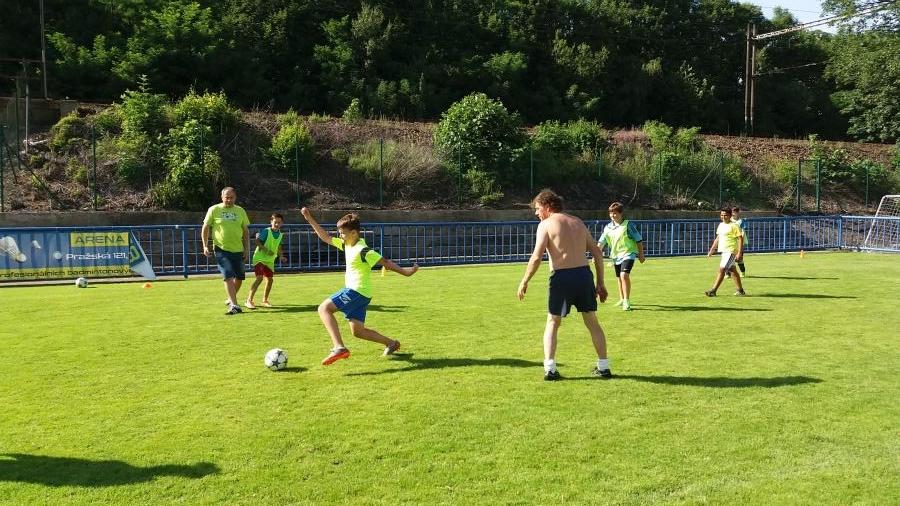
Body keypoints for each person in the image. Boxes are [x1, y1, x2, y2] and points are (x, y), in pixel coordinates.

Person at [300, 207, 419, 365]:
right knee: (358, 332)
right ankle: (392, 343)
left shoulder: (363, 250)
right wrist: (309, 218)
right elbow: (326, 237)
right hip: (363, 294)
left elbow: (385, 262)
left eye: (342, 233)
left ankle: (339, 347)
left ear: (354, 233)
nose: (340, 236)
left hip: (356, 291)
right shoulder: (346, 244)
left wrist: (406, 272)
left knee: (324, 308)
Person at [517, 189, 612, 381]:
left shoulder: (545, 225)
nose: (536, 213)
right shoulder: (577, 222)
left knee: (553, 322)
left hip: (562, 277)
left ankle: (550, 369)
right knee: (592, 321)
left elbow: (536, 257)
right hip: (584, 276)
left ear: (547, 206)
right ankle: (604, 367)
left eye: (538, 208)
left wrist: (524, 281)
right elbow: (597, 252)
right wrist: (600, 282)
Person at [202, 187, 251, 315]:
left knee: (239, 277)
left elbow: (245, 231)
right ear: (222, 197)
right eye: (226, 197)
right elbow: (205, 227)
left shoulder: (240, 211)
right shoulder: (214, 209)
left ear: (235, 197)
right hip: (221, 249)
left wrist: (246, 249)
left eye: (231, 198)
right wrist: (205, 245)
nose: (229, 200)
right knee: (228, 275)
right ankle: (234, 305)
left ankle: (230, 298)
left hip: (238, 249)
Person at [597, 202, 645, 311]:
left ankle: (626, 301)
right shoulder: (608, 227)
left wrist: (641, 254)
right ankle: (622, 299)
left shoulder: (628, 225)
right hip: (616, 256)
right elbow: (601, 242)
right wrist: (596, 255)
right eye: (611, 213)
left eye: (615, 213)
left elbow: (638, 239)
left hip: (628, 253)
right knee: (619, 277)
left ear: (621, 213)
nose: (612, 215)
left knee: (624, 275)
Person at [245, 213, 287, 309]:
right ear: (271, 222)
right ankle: (249, 300)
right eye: (275, 222)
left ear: (282, 223)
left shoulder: (280, 234)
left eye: (279, 222)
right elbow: (257, 241)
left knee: (270, 280)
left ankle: (265, 300)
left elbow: (279, 246)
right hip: (259, 258)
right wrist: (266, 250)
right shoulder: (266, 231)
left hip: (270, 260)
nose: (277, 224)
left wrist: (281, 256)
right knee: (259, 277)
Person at [705, 207, 745, 297]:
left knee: (722, 269)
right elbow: (718, 238)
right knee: (733, 271)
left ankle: (713, 291)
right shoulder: (721, 225)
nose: (723, 217)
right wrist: (711, 250)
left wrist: (739, 252)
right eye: (722, 215)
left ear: (730, 215)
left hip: (731, 251)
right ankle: (740, 291)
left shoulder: (734, 226)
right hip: (724, 251)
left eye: (725, 215)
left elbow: (740, 238)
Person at [731, 207, 748, 277]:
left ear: (738, 213)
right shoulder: (729, 220)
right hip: (730, 241)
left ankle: (742, 271)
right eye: (732, 212)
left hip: (739, 241)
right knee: (728, 258)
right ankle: (727, 273)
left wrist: (741, 240)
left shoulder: (741, 221)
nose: (733, 213)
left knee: (739, 258)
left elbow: (743, 231)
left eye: (734, 212)